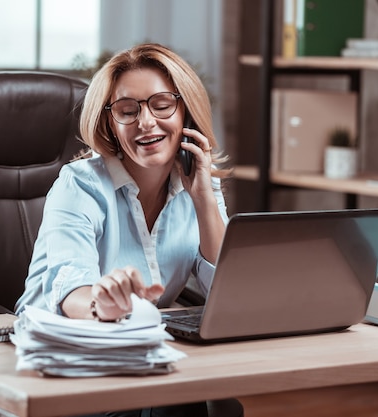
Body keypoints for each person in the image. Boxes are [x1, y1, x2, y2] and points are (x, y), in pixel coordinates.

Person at [15, 43, 231, 417]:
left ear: (186, 114)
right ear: (111, 126)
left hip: (140, 354)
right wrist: (103, 305)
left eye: (162, 104)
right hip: (62, 356)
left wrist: (204, 202)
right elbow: (71, 287)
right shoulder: (79, 185)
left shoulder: (199, 186)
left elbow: (230, 292)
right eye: (128, 111)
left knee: (202, 402)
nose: (146, 122)